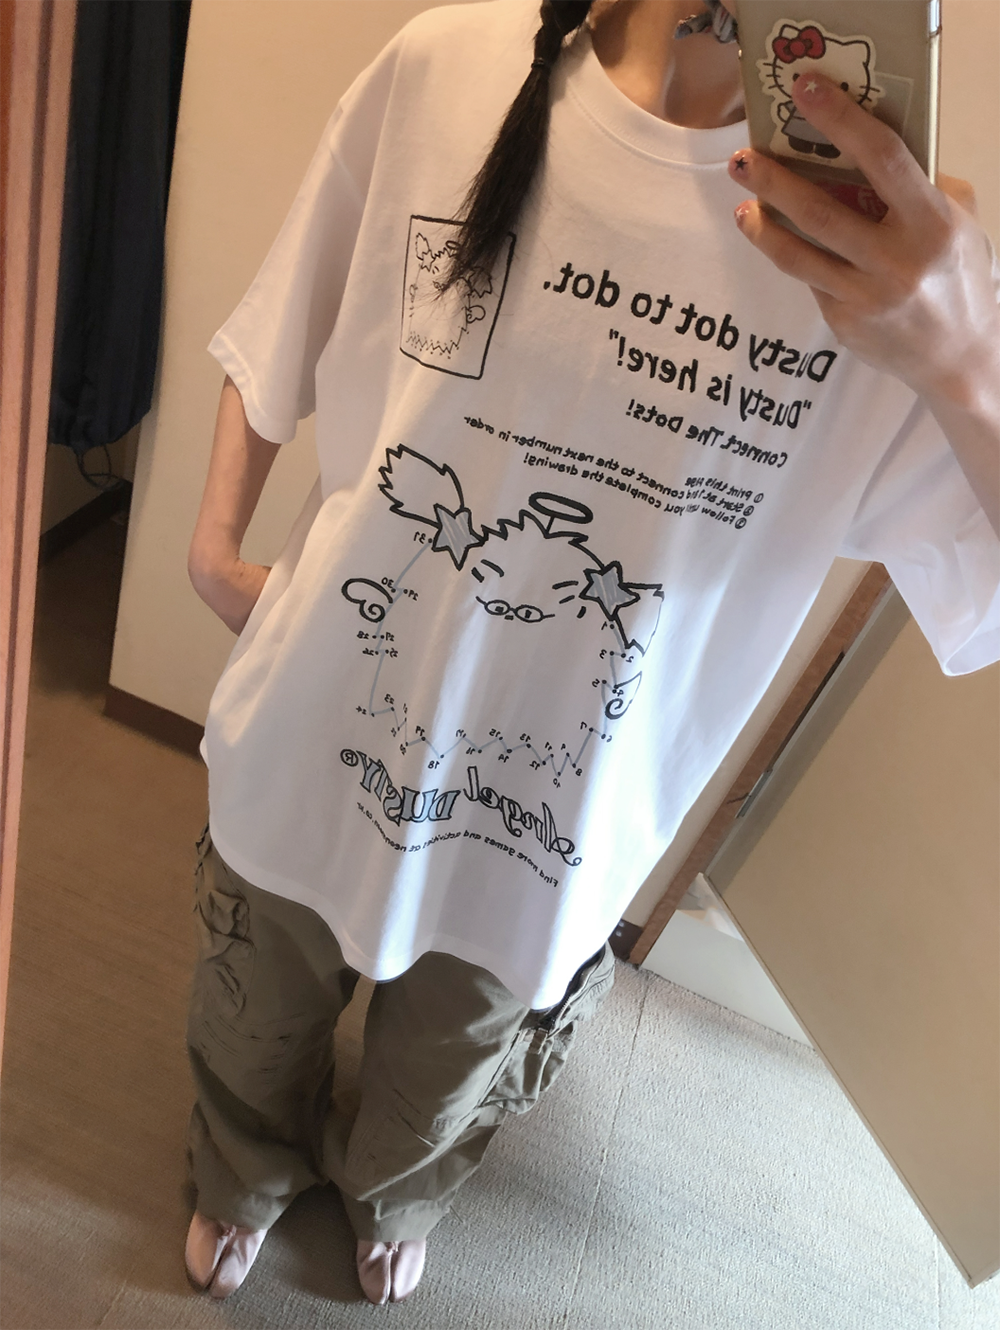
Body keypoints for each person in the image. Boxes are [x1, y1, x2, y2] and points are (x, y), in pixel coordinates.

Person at [183, 0, 1000, 1305]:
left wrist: (970, 361)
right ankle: (240, 1169)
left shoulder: (888, 255)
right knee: (253, 1000)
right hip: (323, 721)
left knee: (446, 1066)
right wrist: (213, 548)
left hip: (555, 820)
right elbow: (291, 301)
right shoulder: (452, 66)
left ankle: (395, 1190)